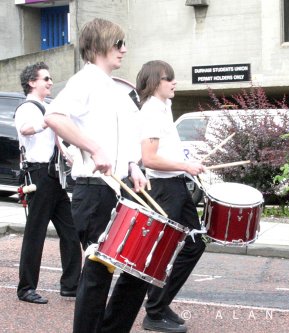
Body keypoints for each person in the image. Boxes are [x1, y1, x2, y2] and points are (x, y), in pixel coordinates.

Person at [45, 18, 149, 333]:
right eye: (119, 44)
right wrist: (94, 149)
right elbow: (54, 116)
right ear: (100, 45)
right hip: (95, 191)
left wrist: (132, 166)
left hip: (120, 188)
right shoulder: (85, 81)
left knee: (137, 267)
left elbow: (121, 137)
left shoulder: (114, 87)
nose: (124, 50)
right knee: (97, 276)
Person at [136, 60, 206, 333]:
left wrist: (187, 161)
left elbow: (165, 152)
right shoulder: (152, 111)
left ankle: (159, 304)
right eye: (168, 78)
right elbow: (149, 158)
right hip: (165, 189)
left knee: (195, 243)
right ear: (154, 82)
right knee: (167, 250)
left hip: (175, 185)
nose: (174, 82)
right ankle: (154, 312)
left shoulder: (163, 108)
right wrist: (185, 166)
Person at [15, 62, 81, 304]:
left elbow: (53, 139)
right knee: (35, 233)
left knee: (71, 231)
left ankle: (71, 286)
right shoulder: (27, 107)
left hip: (54, 176)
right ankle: (25, 289)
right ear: (32, 82)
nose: (50, 82)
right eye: (46, 79)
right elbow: (25, 129)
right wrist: (47, 122)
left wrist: (66, 154)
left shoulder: (47, 106)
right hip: (38, 175)